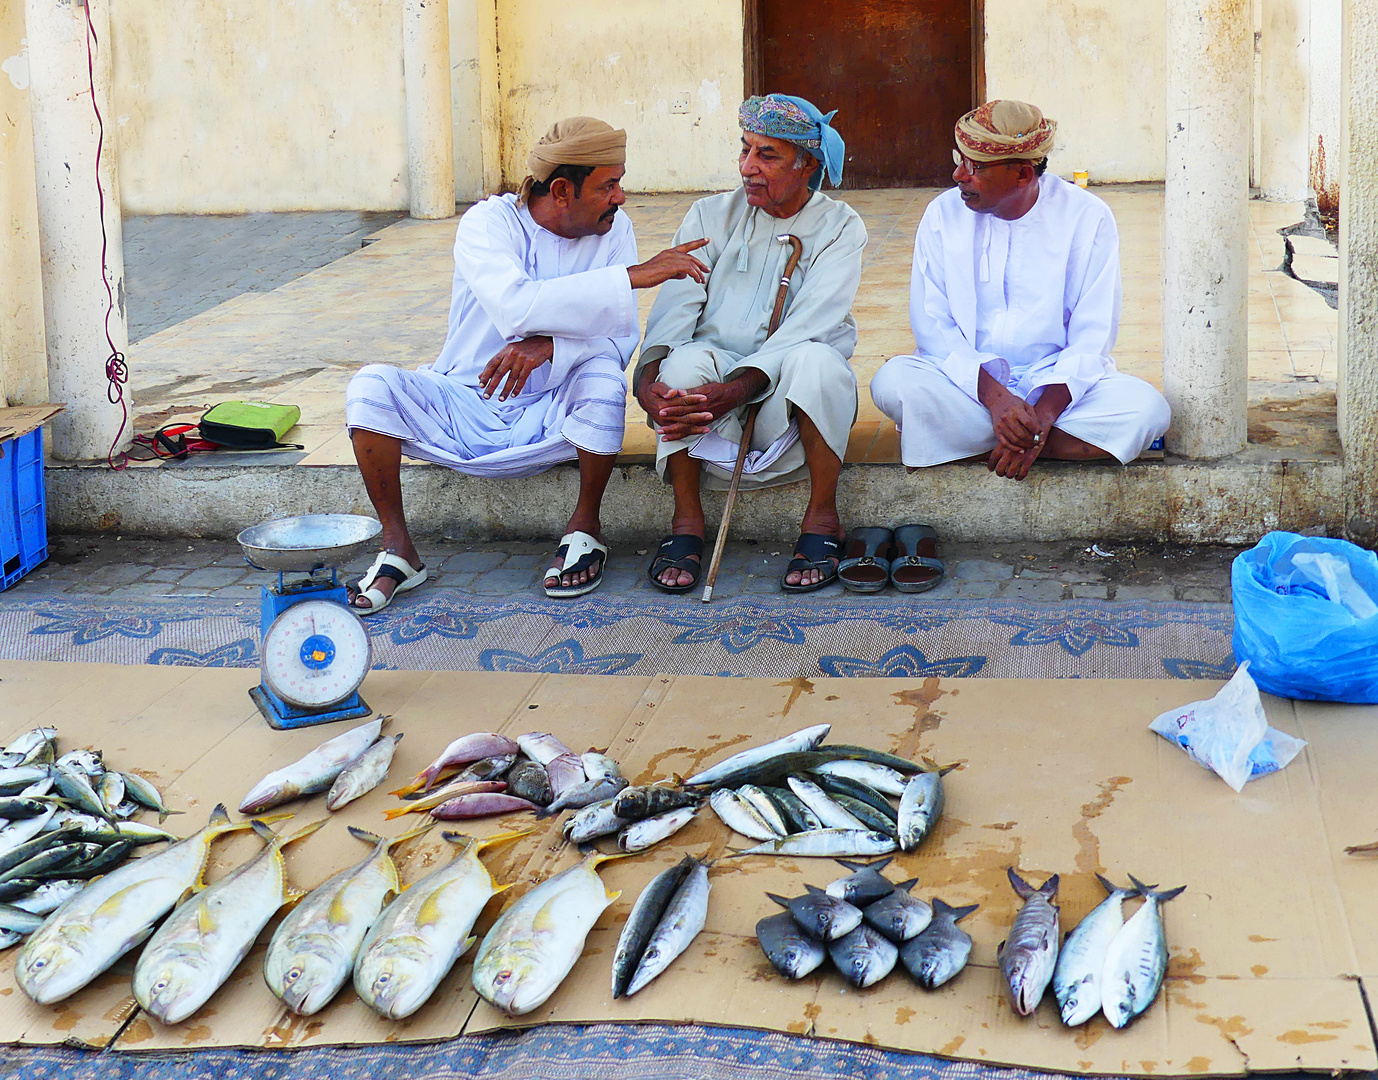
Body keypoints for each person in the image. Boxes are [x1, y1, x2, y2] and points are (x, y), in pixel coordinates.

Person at [344, 117, 709, 612]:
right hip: (466, 400)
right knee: (370, 388)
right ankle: (399, 550)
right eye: (608, 185)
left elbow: (617, 342)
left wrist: (551, 348)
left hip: (554, 408)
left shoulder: (614, 229)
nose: (621, 197)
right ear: (562, 190)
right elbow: (513, 306)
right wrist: (633, 277)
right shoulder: (487, 224)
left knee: (603, 379)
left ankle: (585, 528)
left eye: (619, 182)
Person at [870, 100, 1170, 488]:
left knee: (1147, 410)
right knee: (893, 382)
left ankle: (976, 442)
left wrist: (1042, 416)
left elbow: (1092, 336)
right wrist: (996, 401)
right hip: (969, 386)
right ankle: (1036, 443)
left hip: (1055, 389)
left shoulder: (1086, 216)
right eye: (958, 159)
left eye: (973, 167)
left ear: (1023, 173)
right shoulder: (942, 215)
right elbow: (933, 327)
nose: (958, 175)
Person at [634, 94, 867, 594]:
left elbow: (813, 322)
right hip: (713, 385)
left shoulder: (841, 226)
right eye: (745, 151)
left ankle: (823, 520)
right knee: (681, 367)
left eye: (767, 156)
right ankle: (686, 523)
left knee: (820, 363)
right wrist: (646, 381)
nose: (748, 168)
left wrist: (742, 388)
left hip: (787, 389)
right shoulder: (708, 215)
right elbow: (675, 307)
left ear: (807, 164)